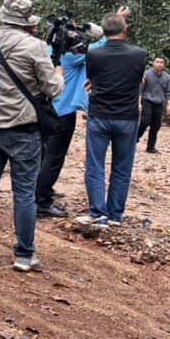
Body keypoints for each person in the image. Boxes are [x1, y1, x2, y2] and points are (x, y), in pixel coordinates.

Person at [0, 0, 63, 272]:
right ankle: (24, 254)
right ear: (27, 21)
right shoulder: (35, 47)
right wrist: (59, 73)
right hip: (23, 129)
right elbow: (52, 89)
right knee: (23, 193)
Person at [80, 12, 146, 229]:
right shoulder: (138, 54)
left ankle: (98, 213)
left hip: (99, 115)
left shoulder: (94, 54)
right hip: (127, 118)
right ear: (125, 30)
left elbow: (92, 79)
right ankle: (115, 214)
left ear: (104, 31)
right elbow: (137, 80)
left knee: (95, 165)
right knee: (122, 167)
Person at [34, 20, 106, 218]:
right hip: (62, 111)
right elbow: (104, 43)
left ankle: (38, 192)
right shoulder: (71, 56)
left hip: (43, 110)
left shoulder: (45, 49)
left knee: (41, 154)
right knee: (54, 158)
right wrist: (98, 28)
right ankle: (41, 201)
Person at [138, 56, 170, 153]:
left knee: (156, 125)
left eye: (161, 62)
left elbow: (168, 92)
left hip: (159, 102)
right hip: (147, 100)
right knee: (145, 122)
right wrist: (139, 103)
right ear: (153, 63)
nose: (159, 64)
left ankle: (150, 147)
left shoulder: (166, 77)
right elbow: (140, 90)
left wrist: (168, 105)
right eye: (157, 62)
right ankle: (134, 139)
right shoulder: (146, 74)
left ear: (164, 65)